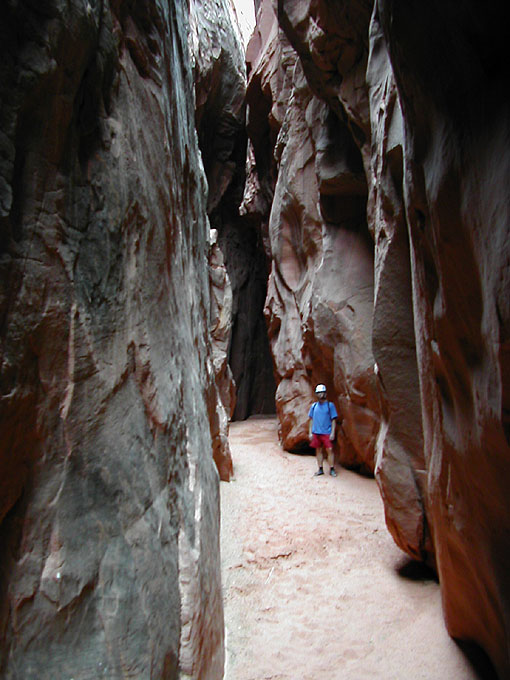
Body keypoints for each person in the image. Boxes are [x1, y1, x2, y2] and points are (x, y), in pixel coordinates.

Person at [308, 384, 338, 477]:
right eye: (318, 393)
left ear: (325, 393)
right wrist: (310, 432)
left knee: (329, 449)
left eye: (322, 393)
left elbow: (333, 420)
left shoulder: (330, 406)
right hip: (316, 432)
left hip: (326, 432)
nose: (320, 395)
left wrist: (333, 432)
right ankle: (320, 468)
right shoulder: (314, 406)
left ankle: (332, 468)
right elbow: (311, 419)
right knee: (318, 450)